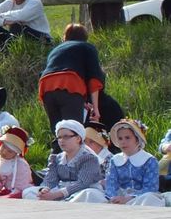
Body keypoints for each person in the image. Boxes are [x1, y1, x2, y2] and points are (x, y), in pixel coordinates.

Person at [38, 23, 106, 151]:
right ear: (85, 37)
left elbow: (48, 72)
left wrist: (81, 100)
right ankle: (74, 165)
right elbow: (94, 79)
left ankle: (55, 163)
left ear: (65, 37)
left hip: (46, 85)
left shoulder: (56, 50)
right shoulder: (87, 47)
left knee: (58, 130)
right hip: (69, 82)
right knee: (74, 131)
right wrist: (96, 108)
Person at [70, 119, 163, 206]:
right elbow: (111, 183)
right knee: (89, 193)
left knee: (150, 198)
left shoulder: (149, 160)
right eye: (120, 138)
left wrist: (128, 198)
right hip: (117, 197)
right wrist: (113, 197)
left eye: (127, 138)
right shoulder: (115, 160)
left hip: (138, 198)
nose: (123, 142)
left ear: (137, 139)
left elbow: (151, 187)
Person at [23, 120, 103, 200]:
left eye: (66, 137)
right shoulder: (56, 158)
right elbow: (50, 180)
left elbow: (82, 183)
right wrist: (44, 190)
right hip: (60, 191)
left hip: (82, 191)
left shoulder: (89, 159)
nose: (61, 140)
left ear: (78, 138)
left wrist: (57, 194)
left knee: (88, 194)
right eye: (59, 137)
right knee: (29, 192)